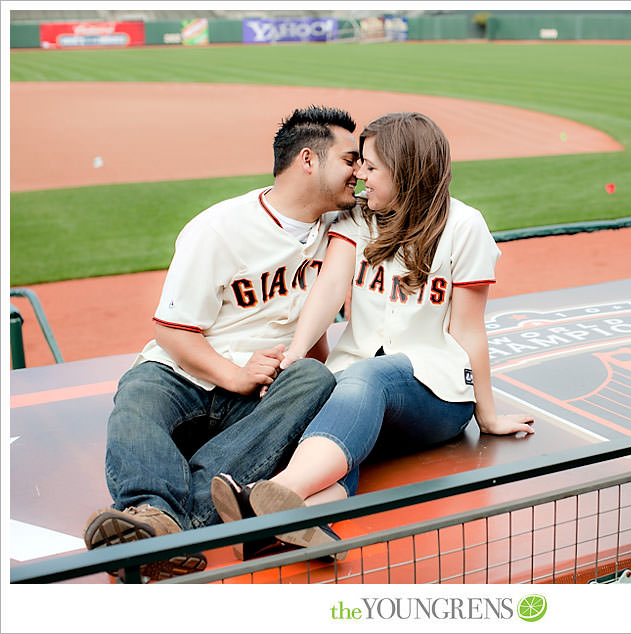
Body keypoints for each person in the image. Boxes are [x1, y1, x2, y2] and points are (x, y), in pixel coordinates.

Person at [211, 112, 534, 558]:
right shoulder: (360, 219)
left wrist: (488, 415)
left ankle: (271, 493)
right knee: (345, 424)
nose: (359, 175)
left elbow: (469, 330)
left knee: (369, 377)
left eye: (370, 166)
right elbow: (327, 292)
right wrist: (297, 354)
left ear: (404, 171)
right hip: (357, 383)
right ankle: (292, 521)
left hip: (436, 394)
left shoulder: (464, 226)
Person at [81, 105, 361, 581]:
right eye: (350, 160)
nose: (358, 172)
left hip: (261, 395)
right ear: (309, 160)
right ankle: (155, 511)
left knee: (315, 378)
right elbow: (171, 331)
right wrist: (234, 374)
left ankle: (162, 529)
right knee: (137, 393)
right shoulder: (219, 228)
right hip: (185, 375)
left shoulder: (339, 229)